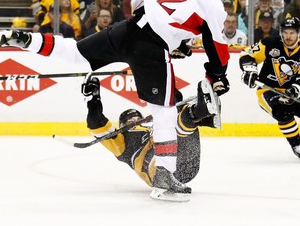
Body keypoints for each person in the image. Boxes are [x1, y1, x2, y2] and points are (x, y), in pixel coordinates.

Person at [0, 0, 230, 201]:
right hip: (152, 48)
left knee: (75, 53)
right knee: (163, 110)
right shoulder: (213, 3)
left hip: (127, 30)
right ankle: (164, 175)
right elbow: (216, 46)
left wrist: (178, 44)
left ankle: (25, 39)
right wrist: (217, 75)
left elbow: (147, 7)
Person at [80, 74, 220, 201]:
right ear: (123, 125)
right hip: (162, 175)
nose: (135, 120)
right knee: (174, 122)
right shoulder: (122, 143)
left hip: (189, 164)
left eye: (137, 118)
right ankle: (202, 114)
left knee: (172, 110)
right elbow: (96, 123)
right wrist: (93, 99)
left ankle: (203, 113)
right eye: (130, 120)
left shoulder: (155, 126)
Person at [239, 17, 300, 161]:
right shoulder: (270, 43)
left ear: (299, 33)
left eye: (292, 33)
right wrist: (250, 70)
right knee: (283, 113)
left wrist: (295, 90)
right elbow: (247, 54)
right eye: (285, 32)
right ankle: (297, 145)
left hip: (293, 92)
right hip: (268, 91)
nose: (288, 36)